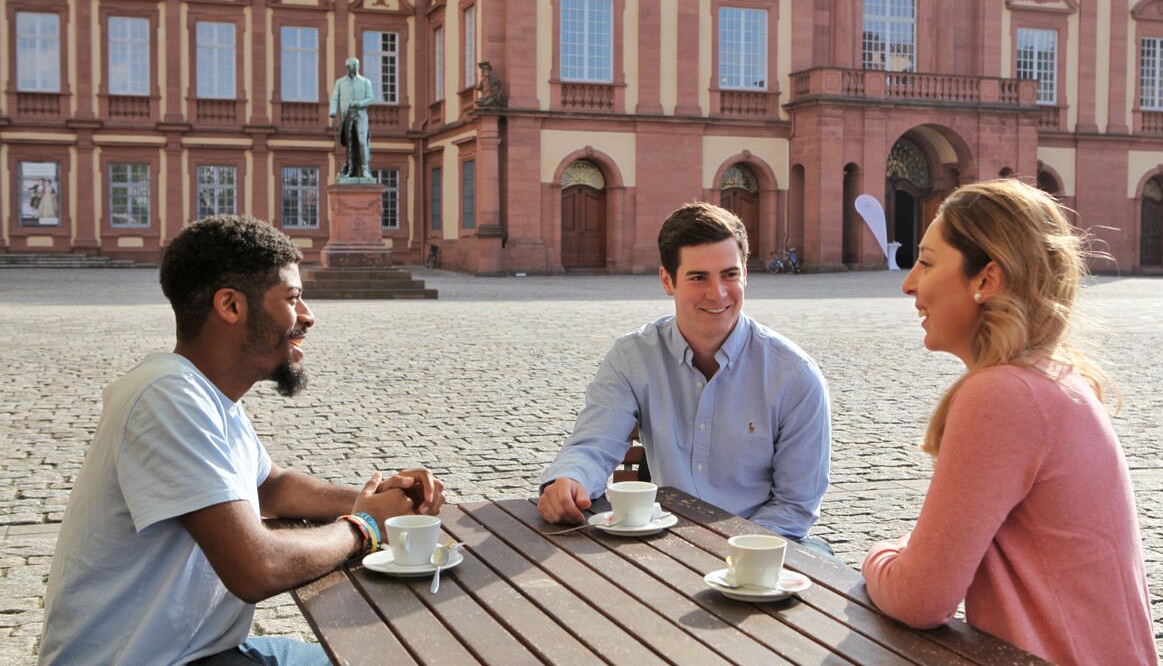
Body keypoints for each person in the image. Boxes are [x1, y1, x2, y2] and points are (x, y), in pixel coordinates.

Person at [39, 215, 445, 666]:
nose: (308, 315)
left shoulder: (202, 391)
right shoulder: (168, 397)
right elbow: (257, 567)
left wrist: (378, 500)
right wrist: (364, 528)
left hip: (199, 652)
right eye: (292, 299)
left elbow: (270, 486)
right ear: (231, 306)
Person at [859, 180, 1158, 665]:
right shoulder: (1055, 378)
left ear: (987, 280)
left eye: (928, 263)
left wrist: (879, 556)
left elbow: (919, 597)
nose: (909, 282)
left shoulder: (1004, 393)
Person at [537, 202, 832, 552]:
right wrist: (570, 479)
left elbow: (794, 507)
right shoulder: (633, 358)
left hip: (764, 546)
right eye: (698, 277)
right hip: (664, 542)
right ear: (667, 280)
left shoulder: (795, 376)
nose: (717, 293)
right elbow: (593, 444)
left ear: (745, 274)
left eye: (729, 275)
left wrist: (722, 549)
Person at [329, 57, 375, 179]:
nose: (354, 69)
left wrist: (359, 103)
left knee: (361, 142)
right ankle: (351, 169)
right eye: (352, 67)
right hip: (346, 115)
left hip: (360, 115)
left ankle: (365, 169)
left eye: (356, 66)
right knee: (350, 143)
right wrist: (333, 111)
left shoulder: (365, 82)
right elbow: (335, 98)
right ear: (347, 68)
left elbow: (371, 98)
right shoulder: (340, 82)